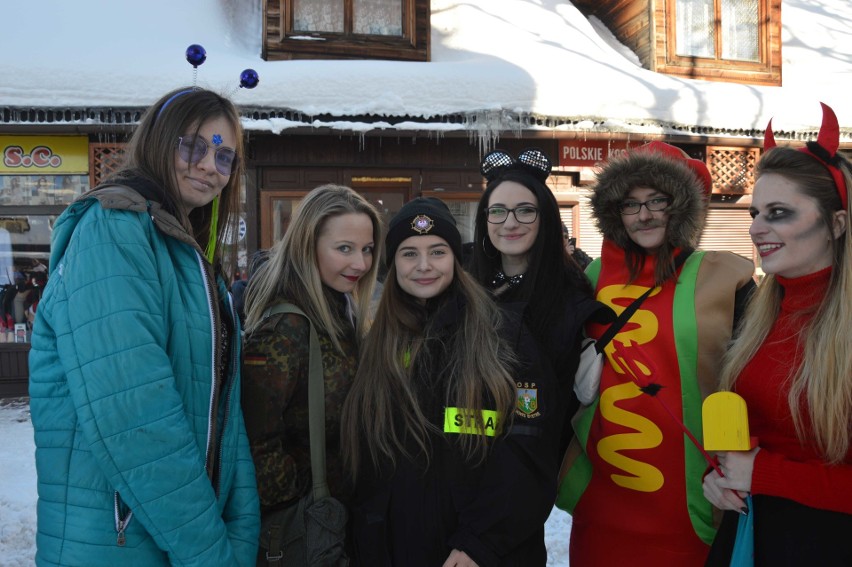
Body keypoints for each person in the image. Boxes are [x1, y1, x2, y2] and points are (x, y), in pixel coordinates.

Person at [28, 86, 260, 565]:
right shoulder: (113, 230)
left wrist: (240, 527)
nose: (208, 166)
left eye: (224, 155)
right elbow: (135, 417)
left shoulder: (183, 251)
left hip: (169, 533)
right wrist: (210, 553)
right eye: (193, 146)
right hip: (120, 540)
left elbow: (222, 412)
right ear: (159, 141)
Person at [558, 141, 756, 565]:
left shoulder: (726, 277)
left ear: (682, 207)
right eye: (630, 204)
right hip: (602, 504)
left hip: (690, 505)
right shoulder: (591, 275)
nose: (643, 215)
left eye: (657, 200)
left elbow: (754, 382)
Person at [343, 197, 557, 566]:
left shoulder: (504, 335)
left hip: (483, 554)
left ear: (456, 260)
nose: (424, 266)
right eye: (409, 254)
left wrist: (479, 543)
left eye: (437, 251)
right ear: (392, 264)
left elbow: (529, 450)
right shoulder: (378, 344)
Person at [703, 103, 852, 566]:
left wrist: (764, 473)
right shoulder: (760, 310)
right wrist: (722, 474)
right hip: (753, 535)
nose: (755, 228)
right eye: (756, 212)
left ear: (836, 224)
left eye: (779, 213)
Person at [241, 184, 381, 563]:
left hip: (337, 518)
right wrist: (307, 497)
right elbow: (255, 440)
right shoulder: (286, 325)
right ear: (307, 245)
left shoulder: (339, 310)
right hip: (306, 529)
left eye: (367, 249)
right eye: (344, 249)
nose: (361, 264)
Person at [471, 149, 608, 458]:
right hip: (464, 459)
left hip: (531, 465)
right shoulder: (465, 287)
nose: (510, 223)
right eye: (498, 211)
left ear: (545, 218)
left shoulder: (571, 297)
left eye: (525, 210)